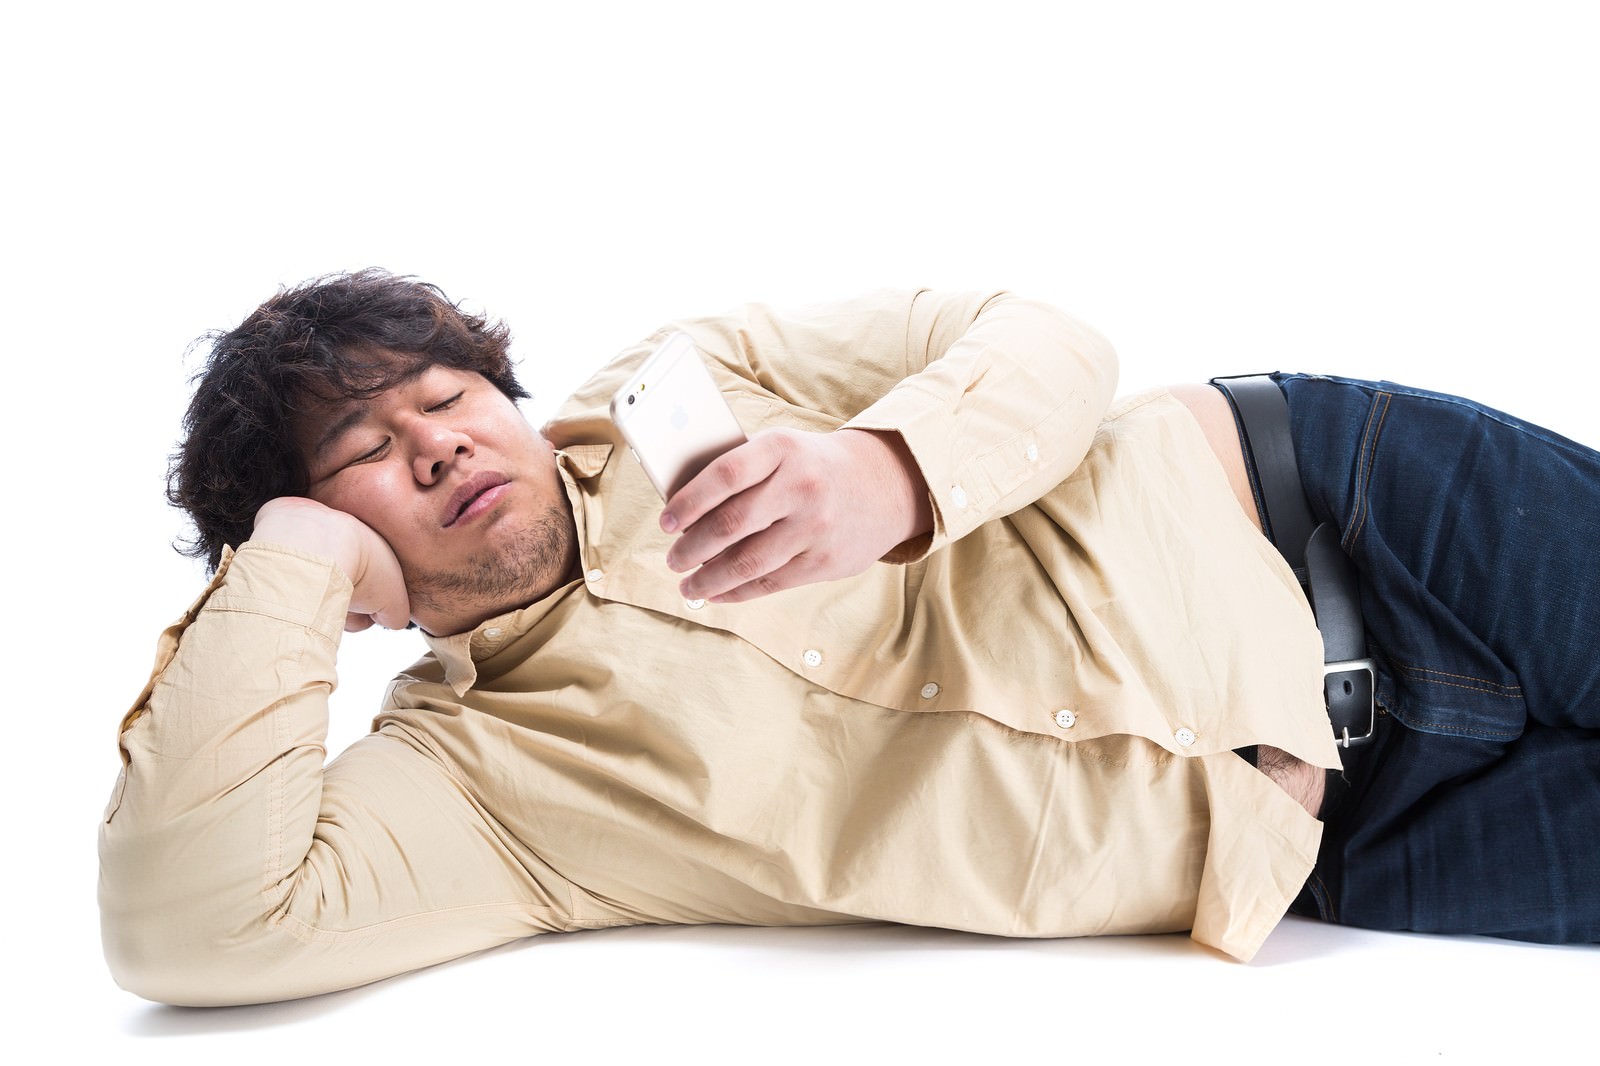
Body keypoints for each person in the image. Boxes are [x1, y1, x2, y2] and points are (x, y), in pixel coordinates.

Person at [99, 271, 1599, 1007]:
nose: (435, 440)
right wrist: (294, 562)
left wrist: (892, 469)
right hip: (1342, 834)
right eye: (363, 451)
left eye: (445, 395)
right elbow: (187, 924)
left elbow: (1046, 336)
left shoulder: (687, 382)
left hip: (1350, 510)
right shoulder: (484, 791)